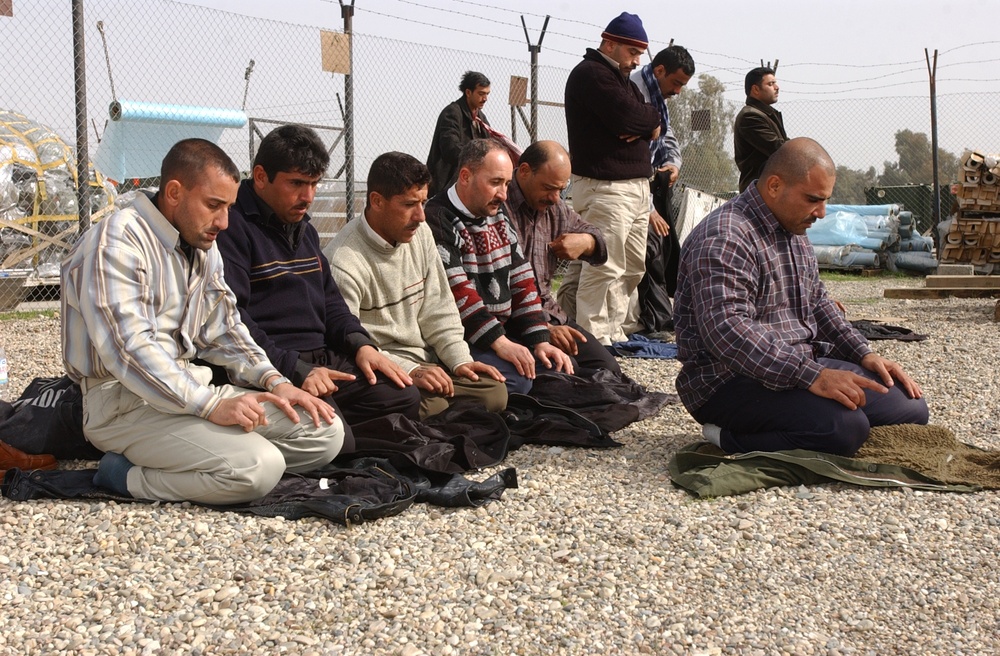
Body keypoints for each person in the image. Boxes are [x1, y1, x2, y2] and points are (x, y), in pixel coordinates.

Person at [61, 138, 344, 504]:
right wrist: (210, 407)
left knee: (324, 432)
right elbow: (130, 351)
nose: (224, 222)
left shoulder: (201, 246)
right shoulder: (117, 242)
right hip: (123, 404)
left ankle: (213, 459)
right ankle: (127, 476)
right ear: (175, 192)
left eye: (228, 207)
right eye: (214, 205)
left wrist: (275, 382)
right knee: (258, 467)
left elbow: (224, 329)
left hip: (192, 388)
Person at [674, 137, 928, 456]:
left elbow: (819, 303)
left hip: (797, 365)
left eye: (824, 201)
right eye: (812, 199)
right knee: (844, 429)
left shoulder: (793, 229)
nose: (821, 213)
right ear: (775, 186)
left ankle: (806, 421)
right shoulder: (725, 237)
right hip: (727, 381)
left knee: (910, 407)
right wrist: (814, 377)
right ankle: (726, 437)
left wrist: (864, 355)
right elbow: (728, 333)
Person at [216, 125, 421, 448]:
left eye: (313, 184)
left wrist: (362, 346)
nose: (308, 197)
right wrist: (295, 369)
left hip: (323, 359)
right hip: (272, 365)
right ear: (260, 176)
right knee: (332, 436)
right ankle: (341, 442)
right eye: (297, 183)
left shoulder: (303, 228)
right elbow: (233, 322)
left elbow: (332, 302)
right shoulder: (230, 228)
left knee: (403, 396)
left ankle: (348, 439)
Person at [325, 151, 508, 418]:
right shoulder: (343, 261)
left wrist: (460, 361)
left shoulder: (420, 234)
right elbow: (349, 346)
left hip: (431, 365)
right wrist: (410, 370)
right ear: (376, 201)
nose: (421, 216)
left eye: (423, 202)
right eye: (410, 204)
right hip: (388, 372)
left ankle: (447, 415)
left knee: (495, 392)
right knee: (430, 405)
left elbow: (439, 309)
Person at [425, 138, 573, 394]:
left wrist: (539, 340)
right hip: (464, 338)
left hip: (500, 333)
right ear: (465, 176)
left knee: (559, 367)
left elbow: (522, 278)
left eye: (506, 184)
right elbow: (458, 295)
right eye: (495, 183)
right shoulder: (438, 218)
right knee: (518, 381)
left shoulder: (497, 213)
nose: (503, 194)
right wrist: (500, 343)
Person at [561, 11, 661, 345]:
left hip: (634, 188)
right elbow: (627, 117)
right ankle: (594, 337)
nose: (635, 61)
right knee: (604, 265)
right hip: (607, 188)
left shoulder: (621, 80)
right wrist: (641, 122)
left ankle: (613, 331)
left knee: (632, 266)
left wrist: (644, 122)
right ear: (609, 43)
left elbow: (650, 117)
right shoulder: (591, 74)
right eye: (632, 52)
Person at [504, 140, 621, 375]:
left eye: (561, 189)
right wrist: (543, 329)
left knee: (606, 368)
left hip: (551, 313)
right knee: (567, 372)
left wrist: (586, 242)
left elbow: (597, 238)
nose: (556, 198)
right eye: (549, 188)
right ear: (524, 171)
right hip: (513, 322)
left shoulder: (554, 208)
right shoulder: (499, 207)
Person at [628, 45, 695, 335]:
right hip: (632, 187)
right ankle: (650, 320)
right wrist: (649, 209)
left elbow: (666, 135)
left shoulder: (657, 96)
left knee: (657, 250)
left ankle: (654, 317)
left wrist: (672, 163)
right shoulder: (633, 91)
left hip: (651, 185)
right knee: (644, 252)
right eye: (676, 83)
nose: (678, 91)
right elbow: (633, 156)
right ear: (659, 71)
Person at [426, 71, 492, 197]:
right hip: (446, 187)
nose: (485, 99)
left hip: (467, 185)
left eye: (487, 94)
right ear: (468, 92)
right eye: (481, 94)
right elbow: (450, 149)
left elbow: (489, 146)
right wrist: (477, 161)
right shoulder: (452, 113)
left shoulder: (480, 118)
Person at [734, 66, 789, 192]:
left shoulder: (766, 115)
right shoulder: (750, 116)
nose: (777, 87)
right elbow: (778, 149)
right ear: (756, 89)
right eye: (770, 84)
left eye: (775, 83)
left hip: (769, 188)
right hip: (759, 191)